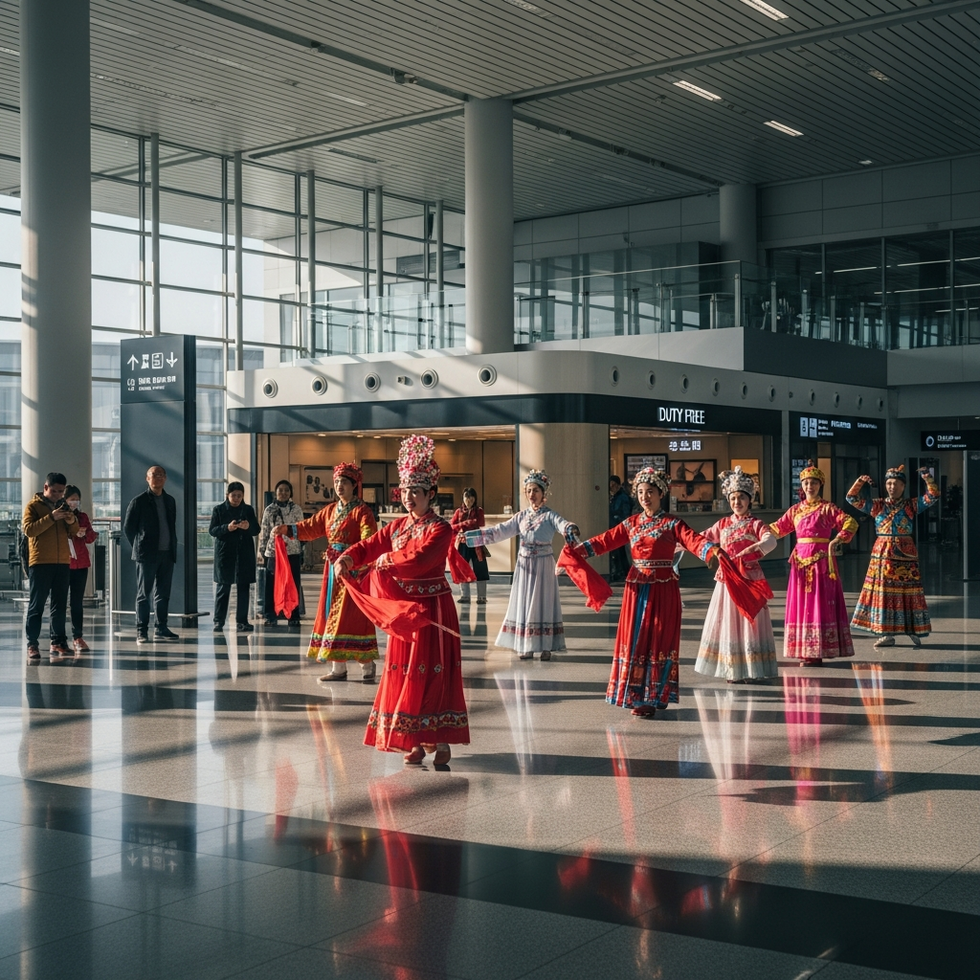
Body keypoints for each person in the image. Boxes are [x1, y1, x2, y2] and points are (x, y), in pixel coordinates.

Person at [336, 435, 469, 766]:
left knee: (433, 673)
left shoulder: (440, 529)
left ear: (430, 494)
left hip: (432, 610)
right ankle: (413, 737)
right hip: (403, 613)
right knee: (406, 672)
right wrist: (349, 559)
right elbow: (371, 545)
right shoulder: (395, 527)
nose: (409, 498)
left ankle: (438, 738)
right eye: (405, 491)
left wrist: (387, 562)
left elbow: (420, 559)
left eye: (416, 492)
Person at [573, 468, 719, 716]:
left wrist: (710, 550)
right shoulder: (631, 523)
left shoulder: (672, 523)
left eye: (650, 492)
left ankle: (656, 693)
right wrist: (578, 551)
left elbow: (692, 539)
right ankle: (637, 696)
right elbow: (606, 540)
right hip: (636, 588)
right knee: (635, 638)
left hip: (663, 588)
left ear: (661, 492)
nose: (645, 497)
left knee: (659, 638)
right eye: (640, 492)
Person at [274, 462, 379, 681]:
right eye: (337, 482)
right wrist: (287, 530)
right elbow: (310, 527)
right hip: (332, 571)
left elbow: (369, 540)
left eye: (344, 482)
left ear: (354, 485)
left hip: (353, 570)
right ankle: (338, 668)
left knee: (353, 616)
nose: (339, 486)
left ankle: (367, 666)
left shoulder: (363, 511)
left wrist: (354, 561)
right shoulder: (331, 511)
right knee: (331, 613)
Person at [465, 471, 579, 661]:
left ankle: (546, 646)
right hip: (525, 565)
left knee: (543, 602)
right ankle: (527, 645)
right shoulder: (521, 517)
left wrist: (570, 528)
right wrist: (473, 536)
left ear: (543, 493)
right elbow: (500, 530)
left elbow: (563, 524)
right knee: (525, 603)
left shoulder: (550, 515)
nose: (532, 494)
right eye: (528, 491)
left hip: (543, 565)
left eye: (535, 490)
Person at [769, 461, 857, 666]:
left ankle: (818, 649)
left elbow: (850, 522)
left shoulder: (827, 508)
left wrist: (838, 539)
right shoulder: (795, 510)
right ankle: (804, 649)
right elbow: (777, 528)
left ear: (820, 485)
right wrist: (757, 531)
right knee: (802, 604)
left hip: (821, 562)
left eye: (814, 483)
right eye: (807, 483)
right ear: (802, 486)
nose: (810, 486)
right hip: (800, 562)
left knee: (819, 603)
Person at [694, 467, 778, 683]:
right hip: (727, 581)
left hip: (749, 580)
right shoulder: (722, 524)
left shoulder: (755, 524)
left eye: (741, 497)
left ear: (750, 500)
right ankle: (733, 668)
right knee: (729, 622)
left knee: (749, 620)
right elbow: (699, 539)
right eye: (733, 498)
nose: (737, 502)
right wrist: (674, 544)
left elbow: (771, 541)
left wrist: (755, 548)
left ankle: (752, 667)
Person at [847, 465, 939, 648]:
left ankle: (912, 628)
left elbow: (933, 496)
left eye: (896, 484)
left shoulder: (911, 505)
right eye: (889, 483)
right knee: (883, 592)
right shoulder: (877, 505)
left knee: (909, 590)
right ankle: (885, 633)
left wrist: (927, 478)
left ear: (903, 486)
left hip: (906, 552)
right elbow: (851, 498)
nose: (892, 487)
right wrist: (860, 481)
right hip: (882, 552)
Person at [23, 472, 82, 664]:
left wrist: (71, 520)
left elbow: (74, 532)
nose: (58, 495)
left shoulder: (63, 506)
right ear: (45, 487)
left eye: (61, 491)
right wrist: (52, 517)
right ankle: (32, 643)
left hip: (62, 562)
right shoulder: (33, 506)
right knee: (37, 605)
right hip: (41, 562)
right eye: (55, 491)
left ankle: (58, 641)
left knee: (59, 605)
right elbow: (29, 530)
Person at [123, 464, 179, 643]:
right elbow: (128, 528)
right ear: (147, 478)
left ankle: (161, 627)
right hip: (146, 555)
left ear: (166, 478)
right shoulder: (138, 501)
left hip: (167, 553)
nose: (158, 478)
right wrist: (139, 546)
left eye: (161, 475)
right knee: (143, 594)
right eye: (154, 475)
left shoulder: (170, 500)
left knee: (163, 593)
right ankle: (142, 630)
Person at [209, 481, 260, 633]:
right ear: (227, 495)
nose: (236, 498)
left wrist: (248, 527)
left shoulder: (248, 510)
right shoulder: (219, 510)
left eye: (239, 496)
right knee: (223, 587)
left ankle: (242, 621)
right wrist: (227, 527)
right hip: (225, 554)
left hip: (244, 554)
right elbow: (212, 530)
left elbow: (256, 529)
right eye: (233, 495)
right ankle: (218, 621)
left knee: (243, 588)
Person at [257, 480, 305, 628]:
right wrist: (262, 552)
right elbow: (264, 531)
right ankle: (270, 615)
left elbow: (302, 530)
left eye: (286, 490)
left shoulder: (296, 509)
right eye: (280, 490)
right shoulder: (269, 510)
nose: (283, 493)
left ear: (290, 493)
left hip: (292, 551)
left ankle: (293, 615)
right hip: (273, 552)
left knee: (293, 584)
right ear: (275, 492)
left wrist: (302, 550)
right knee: (271, 584)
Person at [63, 485, 98, 655]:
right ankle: (59, 638)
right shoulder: (59, 517)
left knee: (77, 603)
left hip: (81, 564)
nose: (74, 502)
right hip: (63, 563)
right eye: (71, 499)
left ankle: (78, 636)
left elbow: (91, 537)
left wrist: (84, 534)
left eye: (77, 499)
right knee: (60, 602)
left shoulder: (83, 517)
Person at [450, 487, 489, 605]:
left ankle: (482, 597)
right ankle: (465, 596)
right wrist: (463, 524)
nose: (469, 499)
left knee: (481, 570)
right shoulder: (458, 512)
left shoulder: (479, 511)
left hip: (477, 544)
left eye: (471, 497)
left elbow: (482, 524)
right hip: (463, 543)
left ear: (475, 498)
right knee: (463, 569)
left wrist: (473, 523)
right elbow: (452, 526)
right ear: (463, 498)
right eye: (466, 496)